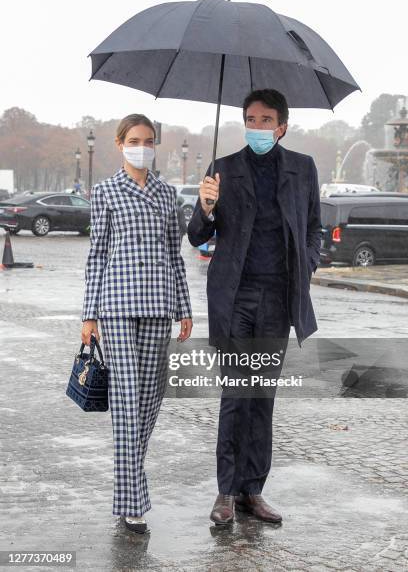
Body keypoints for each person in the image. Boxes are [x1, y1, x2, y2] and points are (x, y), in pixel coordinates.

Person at [187, 89, 322, 526]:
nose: (257, 126)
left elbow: (314, 226)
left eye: (266, 120)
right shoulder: (222, 170)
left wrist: (310, 261)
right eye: (251, 119)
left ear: (282, 126)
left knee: (262, 397)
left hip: (278, 300)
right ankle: (225, 491)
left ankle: (253, 492)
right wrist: (206, 206)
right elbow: (196, 234)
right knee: (235, 394)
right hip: (235, 298)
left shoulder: (303, 169)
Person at [81, 113, 193, 533]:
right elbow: (97, 254)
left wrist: (184, 307)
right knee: (127, 401)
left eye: (148, 140)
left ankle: (131, 482)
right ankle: (132, 502)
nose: (141, 146)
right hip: (117, 305)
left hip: (159, 304)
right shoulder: (106, 191)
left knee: (149, 401)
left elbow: (174, 254)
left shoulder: (166, 194)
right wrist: (88, 313)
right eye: (133, 139)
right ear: (118, 143)